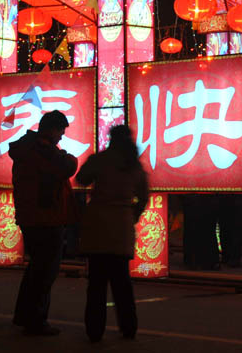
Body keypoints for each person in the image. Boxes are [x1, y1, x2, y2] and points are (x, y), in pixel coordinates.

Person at [76, 124, 149, 342]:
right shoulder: (134, 165)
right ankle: (129, 327)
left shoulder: (100, 159)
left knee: (96, 282)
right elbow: (144, 197)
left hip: (98, 223)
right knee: (122, 282)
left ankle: (94, 330)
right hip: (122, 224)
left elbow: (81, 179)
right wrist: (132, 215)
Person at [10, 110, 78, 336]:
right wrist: (67, 156)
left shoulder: (27, 148)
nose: (61, 137)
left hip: (31, 216)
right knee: (44, 271)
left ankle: (25, 316)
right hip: (46, 217)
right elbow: (67, 166)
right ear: (52, 129)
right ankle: (36, 321)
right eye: (61, 132)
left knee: (36, 269)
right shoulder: (42, 150)